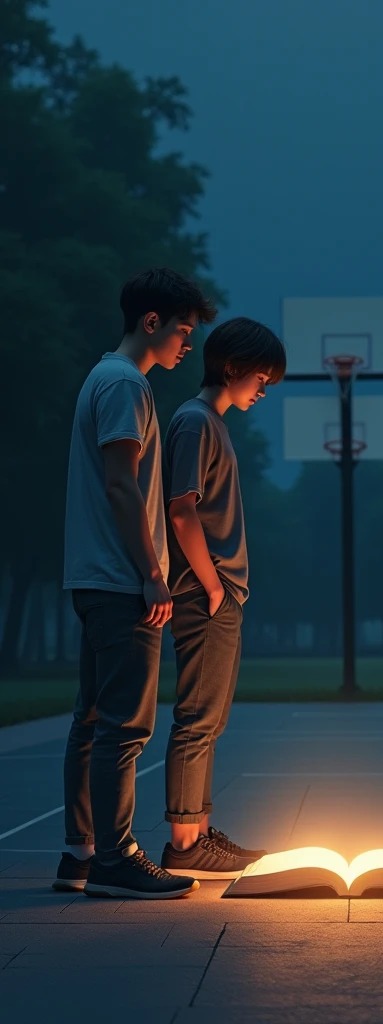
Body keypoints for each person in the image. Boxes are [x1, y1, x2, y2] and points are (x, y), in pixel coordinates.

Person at [54, 268, 217, 899]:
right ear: (151, 322)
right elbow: (123, 485)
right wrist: (154, 576)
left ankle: (80, 854)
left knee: (91, 719)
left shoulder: (105, 378)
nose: (187, 344)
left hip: (96, 576)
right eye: (182, 330)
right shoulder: (124, 385)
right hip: (122, 581)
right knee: (125, 725)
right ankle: (116, 860)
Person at [160, 318, 286, 879]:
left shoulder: (211, 422)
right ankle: (185, 843)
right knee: (197, 717)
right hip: (203, 592)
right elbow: (181, 508)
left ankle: (199, 830)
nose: (264, 389)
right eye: (262, 377)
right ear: (232, 367)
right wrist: (213, 586)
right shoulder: (194, 422)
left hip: (220, 590)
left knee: (209, 719)